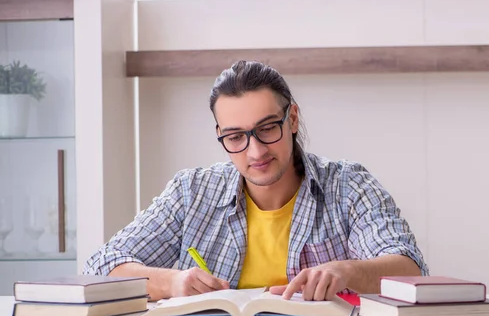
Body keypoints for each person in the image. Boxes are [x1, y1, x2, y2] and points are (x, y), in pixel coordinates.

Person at [83, 60, 429, 301]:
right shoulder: (192, 192)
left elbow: (410, 269)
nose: (255, 151)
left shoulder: (348, 185)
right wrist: (171, 281)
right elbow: (100, 267)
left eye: (266, 129)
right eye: (235, 137)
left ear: (292, 118)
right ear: (220, 135)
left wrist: (347, 272)